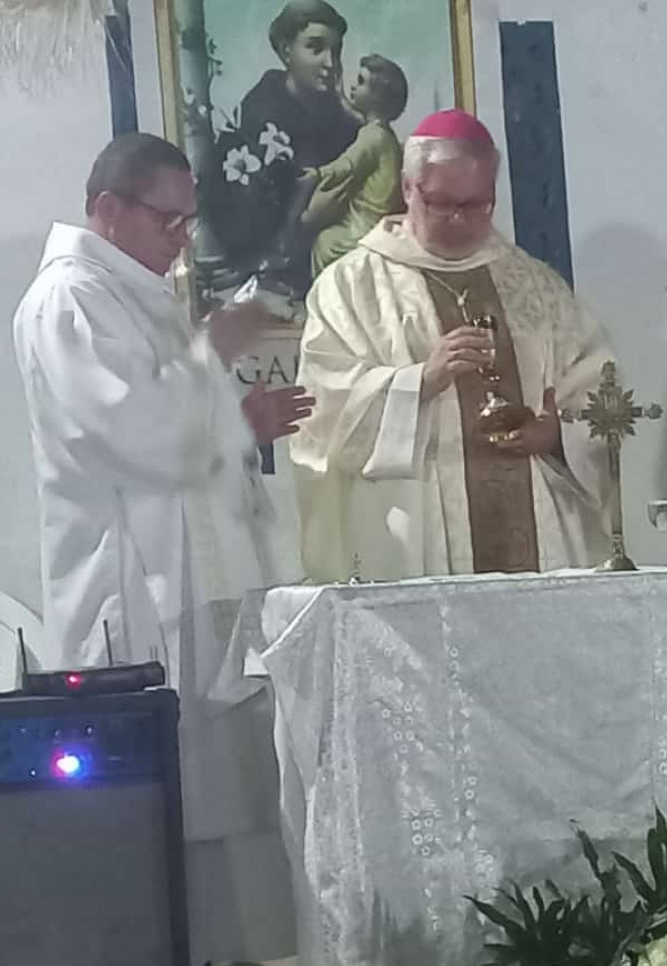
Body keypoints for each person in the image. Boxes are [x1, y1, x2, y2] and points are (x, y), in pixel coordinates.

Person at [13, 132, 314, 966]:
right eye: (166, 219)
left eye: (189, 221)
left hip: (183, 578)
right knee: (150, 800)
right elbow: (129, 433)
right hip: (131, 588)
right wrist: (226, 388)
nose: (181, 240)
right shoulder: (70, 297)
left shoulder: (130, 293)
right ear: (108, 208)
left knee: (199, 794)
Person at [292, 109, 614, 582]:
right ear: (408, 189)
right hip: (414, 529)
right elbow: (325, 408)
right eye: (442, 204)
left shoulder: (536, 284)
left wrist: (556, 435)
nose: (461, 220)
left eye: (478, 204)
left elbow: (599, 390)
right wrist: (419, 381)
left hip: (540, 525)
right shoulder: (352, 285)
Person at [210, 0, 360, 296]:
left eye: (336, 50)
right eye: (316, 48)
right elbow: (244, 223)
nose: (330, 63)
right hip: (268, 282)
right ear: (285, 50)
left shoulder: (343, 121)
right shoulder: (257, 116)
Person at [301, 54, 408, 277]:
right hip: (376, 223)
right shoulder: (382, 133)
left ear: (376, 97)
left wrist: (317, 174)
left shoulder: (372, 137)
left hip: (365, 227)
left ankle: (327, 294)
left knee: (325, 243)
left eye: (360, 82)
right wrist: (339, 96)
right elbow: (354, 114)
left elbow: (347, 165)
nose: (353, 86)